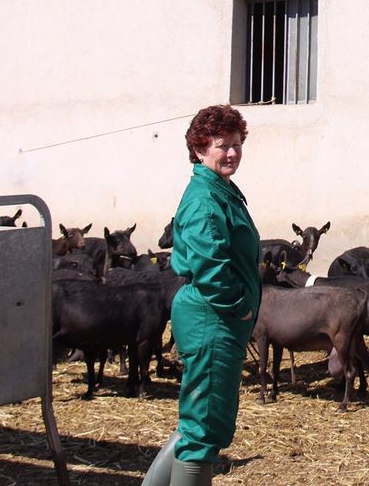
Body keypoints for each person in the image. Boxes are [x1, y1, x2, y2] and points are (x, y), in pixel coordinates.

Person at [142, 105, 261, 486]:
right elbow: (211, 267)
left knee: (198, 423)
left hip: (216, 318)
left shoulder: (219, 190)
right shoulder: (205, 201)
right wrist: (241, 308)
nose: (232, 153)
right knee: (204, 431)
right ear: (199, 149)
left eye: (237, 144)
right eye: (222, 145)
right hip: (213, 318)